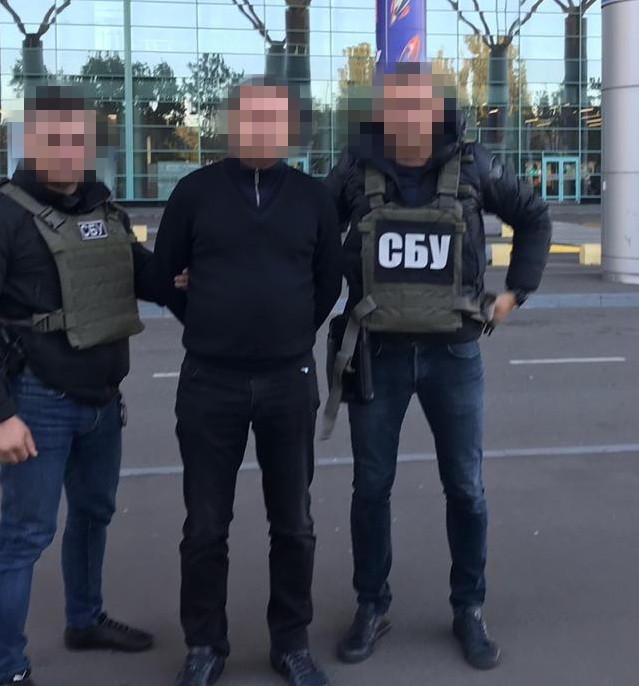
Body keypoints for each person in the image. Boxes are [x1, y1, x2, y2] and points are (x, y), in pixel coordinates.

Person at [0, 84, 183, 686]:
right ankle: (7, 669)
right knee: (25, 536)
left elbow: (147, 280)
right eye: (56, 137)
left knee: (95, 515)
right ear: (30, 139)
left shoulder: (104, 211)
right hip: (35, 404)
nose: (70, 150)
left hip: (102, 403)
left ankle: (85, 619)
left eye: (80, 138)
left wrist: (199, 270)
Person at [323, 62, 552, 671]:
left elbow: (533, 215)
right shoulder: (355, 167)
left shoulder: (472, 163)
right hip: (377, 353)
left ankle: (468, 608)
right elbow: (313, 233)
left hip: (454, 353)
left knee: (466, 488)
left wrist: (514, 294)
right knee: (371, 487)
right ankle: (371, 605)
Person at [151, 77, 342, 686]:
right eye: (250, 118)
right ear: (231, 125)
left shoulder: (313, 198)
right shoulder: (194, 193)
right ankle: (206, 645)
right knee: (205, 527)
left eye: (273, 119)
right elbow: (165, 276)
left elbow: (328, 283)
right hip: (211, 381)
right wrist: (210, 321)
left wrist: (288, 331)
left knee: (294, 524)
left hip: (289, 381)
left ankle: (291, 642)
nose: (261, 129)